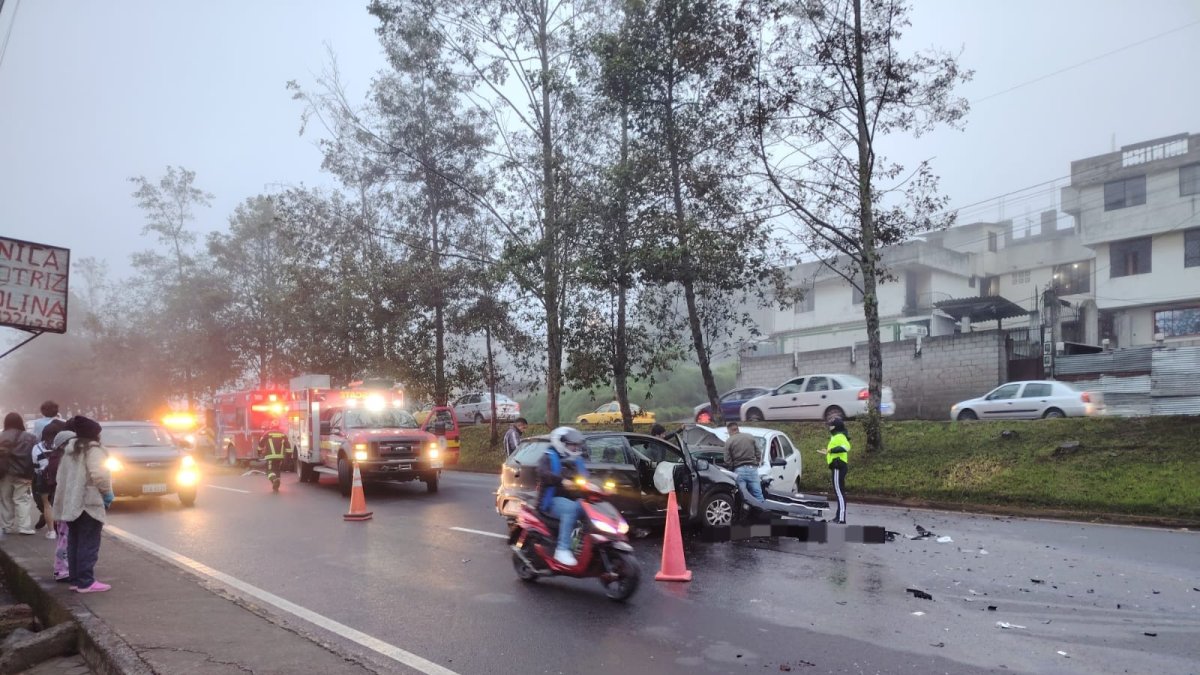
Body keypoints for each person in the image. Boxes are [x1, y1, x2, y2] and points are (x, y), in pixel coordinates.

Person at [53, 415, 114, 593]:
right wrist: (107, 493)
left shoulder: (69, 451)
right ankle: (87, 582)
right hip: (88, 503)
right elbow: (100, 475)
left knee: (74, 542)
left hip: (70, 504)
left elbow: (60, 478)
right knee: (89, 543)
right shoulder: (93, 450)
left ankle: (76, 580)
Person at [536, 426, 589, 566]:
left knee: (593, 509)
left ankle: (585, 544)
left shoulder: (576, 460)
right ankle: (562, 549)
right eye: (572, 445)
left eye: (576, 445)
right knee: (571, 508)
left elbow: (585, 477)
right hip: (550, 501)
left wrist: (597, 486)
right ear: (561, 443)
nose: (575, 448)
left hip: (572, 498)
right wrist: (561, 480)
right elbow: (543, 473)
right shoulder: (548, 456)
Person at [0, 412, 40, 534]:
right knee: (22, 499)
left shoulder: (1, 436)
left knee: (5, 499)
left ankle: (6, 526)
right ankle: (24, 527)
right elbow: (35, 455)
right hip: (24, 472)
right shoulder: (31, 437)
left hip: (4, 472)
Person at [33, 419, 67, 539]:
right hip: (60, 477)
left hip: (44, 478)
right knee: (61, 503)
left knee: (47, 505)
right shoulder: (63, 446)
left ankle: (51, 532)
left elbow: (35, 465)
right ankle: (62, 529)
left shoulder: (37, 447)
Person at [723, 420, 764, 503]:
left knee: (742, 496)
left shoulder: (729, 441)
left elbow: (727, 459)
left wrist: (731, 469)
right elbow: (758, 452)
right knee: (758, 494)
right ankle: (761, 512)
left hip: (739, 471)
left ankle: (744, 514)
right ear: (737, 429)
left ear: (730, 430)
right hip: (752, 469)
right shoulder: (750, 437)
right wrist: (757, 462)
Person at [824, 417, 850, 524]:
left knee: (839, 493)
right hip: (838, 466)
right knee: (840, 492)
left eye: (832, 425)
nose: (830, 427)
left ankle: (841, 518)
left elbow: (847, 447)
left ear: (836, 427)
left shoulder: (839, 436)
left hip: (838, 466)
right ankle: (838, 516)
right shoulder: (836, 436)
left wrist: (831, 450)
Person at [257, 426, 291, 492]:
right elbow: (288, 447)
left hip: (270, 456)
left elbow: (261, 443)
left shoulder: (267, 434)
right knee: (277, 470)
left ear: (271, 427)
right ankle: (276, 484)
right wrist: (288, 458)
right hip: (280, 457)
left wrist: (259, 452)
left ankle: (274, 480)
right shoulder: (283, 435)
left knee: (269, 471)